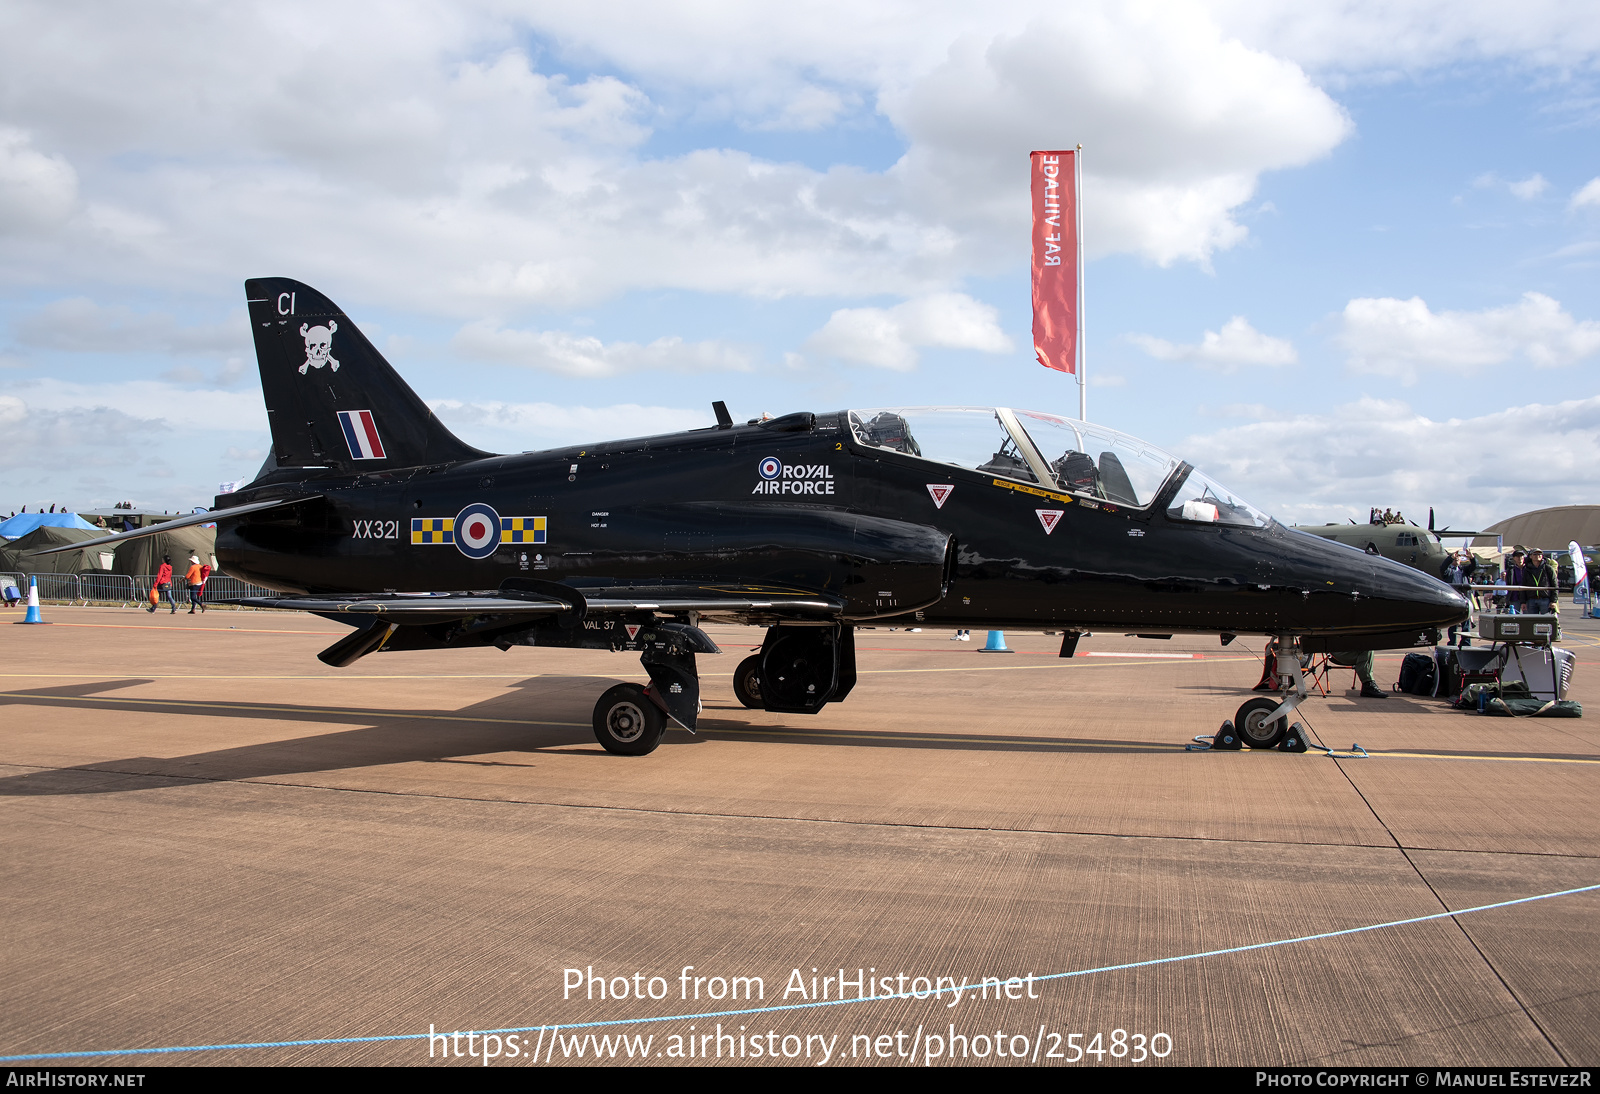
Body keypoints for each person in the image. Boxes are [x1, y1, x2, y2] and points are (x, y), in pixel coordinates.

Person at [1524, 548, 1558, 614]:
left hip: (1545, 599)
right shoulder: (1527, 569)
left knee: (1545, 622)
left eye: (1540, 554)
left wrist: (1553, 601)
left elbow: (1555, 585)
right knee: (1532, 621)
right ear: (1531, 556)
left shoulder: (1548, 568)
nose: (1538, 555)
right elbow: (1523, 584)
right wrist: (1523, 602)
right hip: (1531, 600)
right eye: (1535, 554)